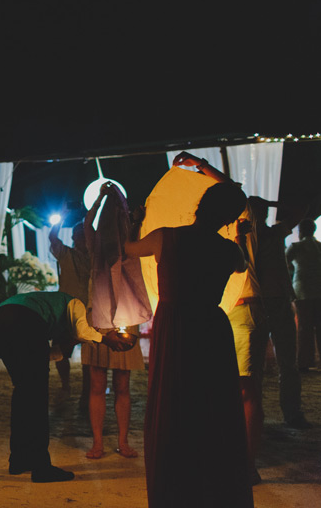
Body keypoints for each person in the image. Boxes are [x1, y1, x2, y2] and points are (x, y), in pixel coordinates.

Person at [125, 172, 254, 507]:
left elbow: (127, 249)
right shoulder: (230, 251)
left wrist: (133, 221)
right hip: (211, 327)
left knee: (175, 400)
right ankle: (212, 482)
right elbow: (242, 263)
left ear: (200, 204)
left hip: (176, 325)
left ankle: (176, 484)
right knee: (212, 405)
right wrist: (240, 234)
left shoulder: (165, 238)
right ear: (228, 217)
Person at [174, 152, 265, 484]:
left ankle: (247, 462)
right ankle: (226, 455)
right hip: (215, 309)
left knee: (244, 387)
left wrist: (200, 165)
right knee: (217, 388)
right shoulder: (202, 234)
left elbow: (233, 191)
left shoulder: (242, 218)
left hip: (242, 304)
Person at [0, 291, 130, 483]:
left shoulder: (49, 314)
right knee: (37, 397)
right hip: (25, 320)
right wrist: (107, 340)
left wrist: (76, 340)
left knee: (23, 391)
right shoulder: (75, 302)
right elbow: (82, 331)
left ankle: (18, 460)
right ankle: (41, 468)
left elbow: (52, 353)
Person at [81, 183, 147, 461]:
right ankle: (98, 442)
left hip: (126, 317)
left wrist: (131, 213)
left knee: (122, 385)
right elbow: (87, 223)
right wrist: (99, 200)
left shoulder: (130, 242)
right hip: (99, 318)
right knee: (96, 385)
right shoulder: (95, 244)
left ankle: (122, 441)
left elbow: (136, 230)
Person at [248, 195, 312, 429]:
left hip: (254, 302)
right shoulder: (275, 233)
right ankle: (291, 413)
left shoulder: (244, 236)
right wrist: (272, 204)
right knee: (287, 362)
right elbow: (302, 206)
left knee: (254, 366)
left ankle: (254, 415)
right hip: (276, 300)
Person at [48, 217, 90, 401]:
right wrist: (62, 215)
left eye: (85, 236)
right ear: (73, 237)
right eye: (79, 236)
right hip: (67, 311)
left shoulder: (95, 259)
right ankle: (66, 385)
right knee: (60, 352)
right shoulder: (66, 254)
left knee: (89, 357)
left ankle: (85, 392)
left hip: (89, 312)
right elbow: (53, 238)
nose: (82, 239)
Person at [287, 218, 321, 371]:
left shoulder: (296, 247)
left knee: (304, 328)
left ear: (300, 232)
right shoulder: (319, 247)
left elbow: (283, 266)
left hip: (302, 291)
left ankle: (304, 362)